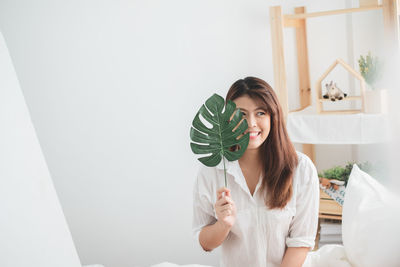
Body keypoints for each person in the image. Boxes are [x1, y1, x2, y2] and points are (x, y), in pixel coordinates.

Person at [192, 77, 319, 267]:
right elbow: (205, 243)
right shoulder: (212, 171)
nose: (251, 123)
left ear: (272, 117)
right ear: (228, 120)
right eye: (241, 114)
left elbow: (301, 242)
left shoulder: (301, 168)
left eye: (260, 113)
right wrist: (223, 224)